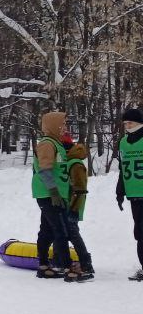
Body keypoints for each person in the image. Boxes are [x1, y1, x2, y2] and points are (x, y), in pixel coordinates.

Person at [32, 110, 73, 279]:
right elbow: (45, 169)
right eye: (62, 124)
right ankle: (66, 267)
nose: (64, 127)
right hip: (48, 193)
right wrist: (54, 192)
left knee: (48, 230)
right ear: (54, 126)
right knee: (60, 230)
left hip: (56, 193)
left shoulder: (57, 144)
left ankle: (43, 265)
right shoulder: (47, 143)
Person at [62, 133, 95, 282]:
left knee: (73, 234)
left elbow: (80, 188)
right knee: (70, 233)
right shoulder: (70, 162)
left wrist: (74, 209)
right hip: (70, 204)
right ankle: (82, 262)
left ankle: (86, 264)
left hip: (73, 205)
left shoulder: (75, 163)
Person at [118, 108, 143, 281]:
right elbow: (122, 168)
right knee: (139, 233)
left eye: (130, 123)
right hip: (133, 195)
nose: (127, 126)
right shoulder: (123, 142)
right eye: (125, 123)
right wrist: (120, 191)